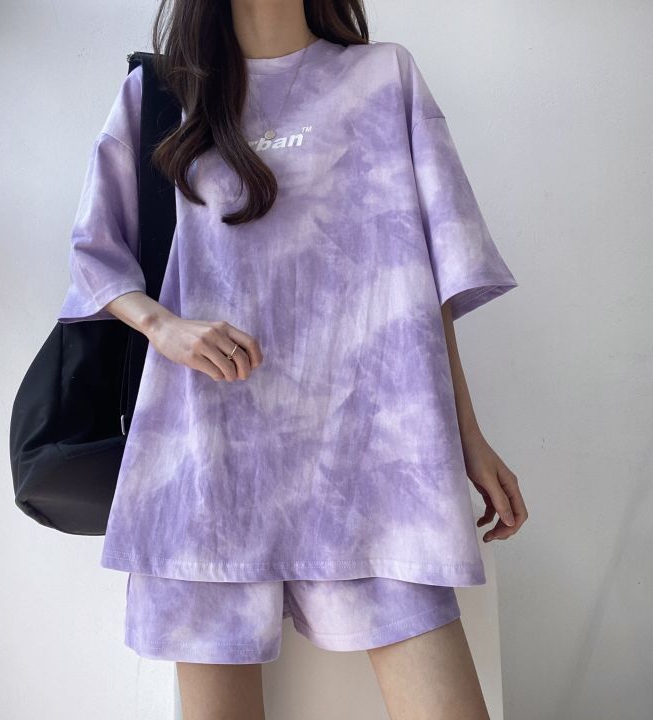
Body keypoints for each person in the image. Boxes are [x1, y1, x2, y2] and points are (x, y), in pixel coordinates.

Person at [56, 0, 528, 717]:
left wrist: (469, 436)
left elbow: (425, 280)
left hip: (373, 463)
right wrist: (166, 327)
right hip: (207, 461)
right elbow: (95, 253)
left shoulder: (383, 78)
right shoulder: (161, 96)